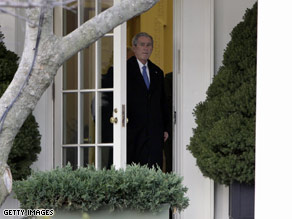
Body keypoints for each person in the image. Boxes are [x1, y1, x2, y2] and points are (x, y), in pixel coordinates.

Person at [127, 32, 169, 169]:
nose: (145, 48)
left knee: (154, 167)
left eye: (149, 45)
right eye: (142, 45)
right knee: (134, 168)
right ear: (134, 48)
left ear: (152, 48)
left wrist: (166, 128)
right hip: (133, 131)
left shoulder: (157, 72)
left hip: (154, 132)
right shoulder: (124, 70)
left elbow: (163, 102)